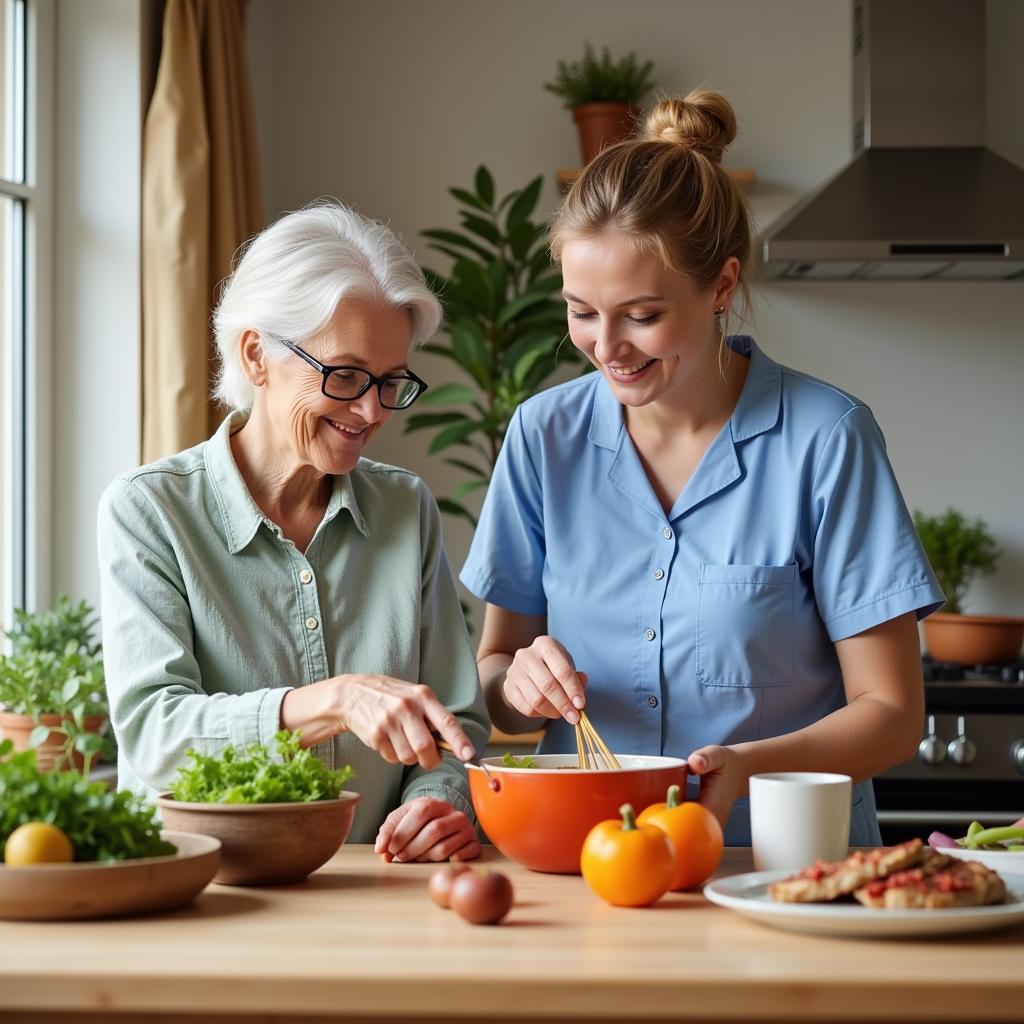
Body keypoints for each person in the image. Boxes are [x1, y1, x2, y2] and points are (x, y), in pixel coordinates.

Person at [460, 91, 943, 846]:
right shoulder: (542, 436)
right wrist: (517, 683)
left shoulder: (826, 440)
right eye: (581, 311)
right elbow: (495, 675)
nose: (606, 346)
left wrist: (748, 766)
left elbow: (891, 716)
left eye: (642, 315)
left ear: (721, 286)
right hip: (591, 858)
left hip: (784, 863)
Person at [98, 201, 489, 863]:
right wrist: (330, 701)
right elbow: (155, 736)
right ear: (256, 355)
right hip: (208, 896)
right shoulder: (149, 512)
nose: (370, 411)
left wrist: (439, 800)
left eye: (391, 382)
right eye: (344, 375)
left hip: (380, 900)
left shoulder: (405, 508)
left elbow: (458, 725)